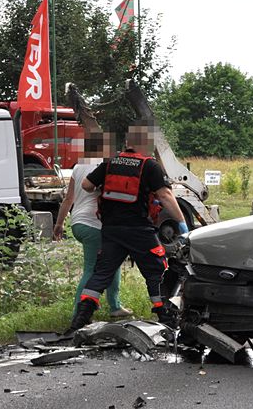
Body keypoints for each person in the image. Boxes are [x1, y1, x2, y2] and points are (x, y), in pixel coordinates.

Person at [68, 119, 189, 331]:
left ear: (127, 142)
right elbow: (165, 195)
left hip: (111, 230)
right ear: (146, 143)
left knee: (101, 273)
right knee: (157, 272)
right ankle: (166, 318)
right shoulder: (149, 165)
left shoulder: (110, 163)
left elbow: (87, 185)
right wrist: (182, 223)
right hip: (140, 231)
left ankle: (80, 319)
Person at [54, 130, 132, 319]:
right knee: (92, 269)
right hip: (94, 225)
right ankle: (78, 313)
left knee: (112, 262)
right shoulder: (105, 166)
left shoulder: (78, 167)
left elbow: (68, 199)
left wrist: (59, 223)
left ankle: (115, 306)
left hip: (78, 223)